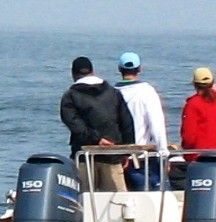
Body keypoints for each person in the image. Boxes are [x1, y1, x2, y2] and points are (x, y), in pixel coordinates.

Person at [60, 56, 135, 191]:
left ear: (73, 74)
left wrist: (97, 139)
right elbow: (127, 123)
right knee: (118, 202)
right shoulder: (113, 93)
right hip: (112, 154)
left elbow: (75, 125)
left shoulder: (70, 96)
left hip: (84, 156)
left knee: (85, 201)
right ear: (93, 71)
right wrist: (126, 152)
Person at [115, 51, 169, 189]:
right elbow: (157, 124)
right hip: (144, 155)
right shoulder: (147, 91)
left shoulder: (113, 92)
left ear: (120, 69)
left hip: (121, 156)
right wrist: (163, 151)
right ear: (139, 69)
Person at [180, 67, 216, 160]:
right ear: (213, 83)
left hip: (200, 157)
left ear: (195, 84)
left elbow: (189, 138)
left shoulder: (192, 104)